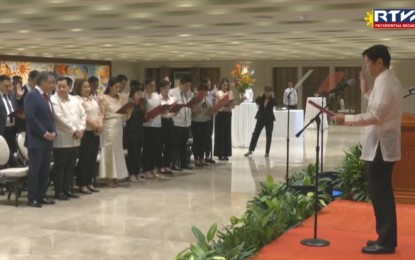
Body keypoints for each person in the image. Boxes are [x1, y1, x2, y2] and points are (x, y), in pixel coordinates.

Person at [333, 44, 403, 255]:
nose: (367, 69)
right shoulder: (384, 82)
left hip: (381, 147)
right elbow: (377, 106)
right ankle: (384, 237)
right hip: (381, 146)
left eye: (368, 64)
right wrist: (365, 91)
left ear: (379, 62)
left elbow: (375, 116)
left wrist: (346, 119)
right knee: (380, 193)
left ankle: (387, 242)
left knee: (381, 194)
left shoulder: (385, 83)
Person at [24, 71, 57, 208]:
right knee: (35, 170)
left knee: (44, 169)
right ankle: (32, 198)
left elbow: (50, 117)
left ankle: (41, 195)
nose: (52, 85)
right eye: (51, 83)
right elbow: (31, 118)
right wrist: (44, 132)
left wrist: (53, 131)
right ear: (42, 82)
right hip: (36, 139)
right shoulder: (32, 96)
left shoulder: (46, 97)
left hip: (48, 139)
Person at [50, 77, 86, 200]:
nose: (60, 89)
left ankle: (68, 189)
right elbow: (60, 119)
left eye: (64, 86)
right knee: (60, 167)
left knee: (70, 166)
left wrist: (81, 128)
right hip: (62, 139)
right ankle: (59, 191)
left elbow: (83, 114)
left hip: (76, 138)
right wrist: (74, 130)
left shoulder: (75, 100)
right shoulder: (53, 100)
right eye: (58, 86)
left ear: (69, 87)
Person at [99, 77, 130, 187]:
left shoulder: (119, 99)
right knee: (109, 150)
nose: (118, 89)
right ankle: (108, 176)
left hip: (118, 126)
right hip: (109, 126)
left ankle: (117, 175)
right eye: (115, 87)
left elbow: (124, 117)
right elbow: (102, 114)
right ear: (110, 87)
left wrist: (128, 111)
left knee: (117, 151)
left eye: (119, 87)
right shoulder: (104, 98)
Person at [73, 78, 102, 194]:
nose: (87, 89)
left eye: (88, 87)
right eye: (84, 87)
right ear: (78, 88)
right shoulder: (77, 100)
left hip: (95, 132)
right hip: (85, 132)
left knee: (92, 158)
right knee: (84, 159)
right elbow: (83, 116)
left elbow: (100, 113)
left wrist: (100, 125)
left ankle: (90, 182)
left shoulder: (93, 99)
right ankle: (82, 183)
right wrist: (95, 126)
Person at [169, 75, 195, 170]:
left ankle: (184, 162)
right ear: (181, 84)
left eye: (189, 86)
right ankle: (174, 163)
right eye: (186, 86)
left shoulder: (190, 94)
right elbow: (170, 106)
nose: (188, 88)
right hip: (176, 122)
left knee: (184, 144)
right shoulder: (172, 92)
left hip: (186, 122)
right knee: (175, 144)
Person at [244, 86, 276, 157]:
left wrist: (272, 97)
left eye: (268, 92)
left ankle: (267, 152)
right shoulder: (261, 98)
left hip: (269, 119)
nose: (267, 93)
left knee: (268, 135)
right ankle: (250, 150)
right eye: (265, 91)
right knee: (255, 133)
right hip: (260, 118)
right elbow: (256, 101)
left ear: (270, 92)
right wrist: (260, 95)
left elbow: (276, 103)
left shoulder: (272, 99)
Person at [142, 78, 162, 178]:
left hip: (157, 124)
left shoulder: (157, 95)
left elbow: (160, 107)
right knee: (148, 148)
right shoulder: (142, 95)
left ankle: (152, 168)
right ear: (145, 86)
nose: (153, 88)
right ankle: (146, 169)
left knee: (155, 148)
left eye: (154, 86)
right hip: (148, 126)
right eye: (150, 86)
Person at [125, 81, 145, 182]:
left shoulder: (141, 104)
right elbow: (126, 118)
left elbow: (143, 117)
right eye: (137, 94)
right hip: (131, 130)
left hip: (140, 130)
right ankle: (131, 173)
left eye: (140, 94)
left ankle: (137, 172)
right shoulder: (129, 104)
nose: (139, 96)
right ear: (132, 94)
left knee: (138, 152)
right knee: (132, 152)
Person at [0, 75, 19, 166]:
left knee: (13, 152)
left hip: (13, 129)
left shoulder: (12, 96)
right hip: (2, 129)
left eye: (9, 86)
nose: (8, 88)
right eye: (5, 86)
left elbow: (15, 109)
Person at [214, 77, 234, 161]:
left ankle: (226, 153)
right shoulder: (218, 93)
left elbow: (233, 105)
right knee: (220, 134)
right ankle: (220, 153)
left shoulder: (230, 93)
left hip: (228, 114)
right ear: (221, 85)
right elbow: (216, 105)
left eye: (226, 85)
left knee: (227, 133)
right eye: (223, 85)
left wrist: (230, 104)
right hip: (220, 114)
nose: (225, 87)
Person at [158, 79, 175, 174]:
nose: (167, 90)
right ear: (160, 89)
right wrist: (161, 111)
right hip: (161, 121)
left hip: (170, 121)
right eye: (165, 88)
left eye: (168, 88)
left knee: (170, 144)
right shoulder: (157, 98)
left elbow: (173, 111)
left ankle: (167, 165)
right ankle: (160, 165)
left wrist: (175, 111)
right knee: (160, 144)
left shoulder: (171, 98)